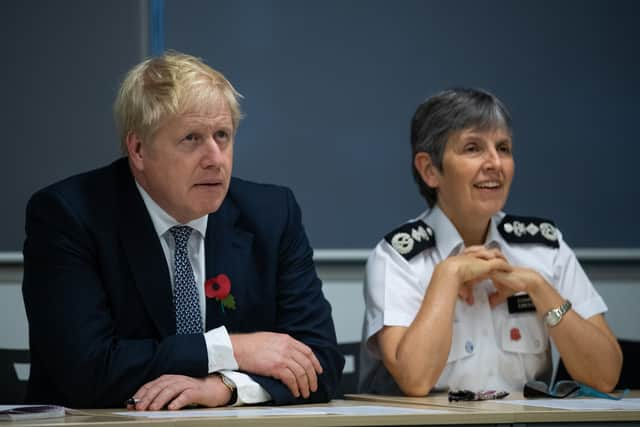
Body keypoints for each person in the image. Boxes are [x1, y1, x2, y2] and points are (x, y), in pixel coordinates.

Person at [22, 52, 343, 409]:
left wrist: (226, 387)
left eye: (222, 136)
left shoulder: (271, 215)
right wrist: (230, 349)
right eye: (191, 138)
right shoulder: (69, 215)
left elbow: (321, 364)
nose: (215, 158)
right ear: (139, 149)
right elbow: (86, 369)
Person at [359, 88, 622, 396]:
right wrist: (448, 275)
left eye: (503, 148)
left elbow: (605, 376)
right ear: (430, 170)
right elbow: (415, 381)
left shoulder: (543, 248)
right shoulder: (398, 258)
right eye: (473, 148)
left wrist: (541, 289)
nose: (495, 163)